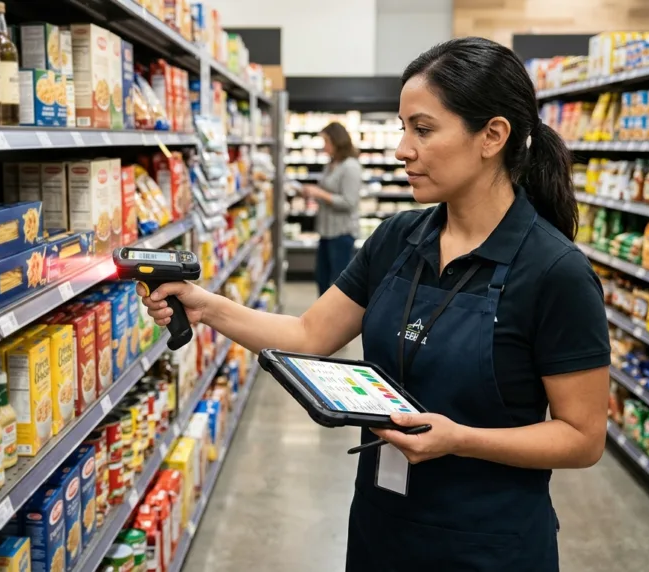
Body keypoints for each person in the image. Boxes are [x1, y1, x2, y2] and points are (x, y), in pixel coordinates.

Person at [139, 37, 609, 571]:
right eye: (404, 127)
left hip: (486, 543)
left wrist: (460, 440)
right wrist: (205, 307)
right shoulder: (397, 238)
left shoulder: (554, 271)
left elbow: (582, 437)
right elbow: (310, 335)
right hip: (381, 525)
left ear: (492, 136)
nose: (402, 149)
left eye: (423, 129)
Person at [302, 122, 361, 294]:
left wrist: (319, 194)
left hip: (341, 234)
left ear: (338, 141)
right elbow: (326, 192)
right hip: (326, 231)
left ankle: (339, 320)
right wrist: (308, 193)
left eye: (326, 141)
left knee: (338, 284)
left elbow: (349, 202)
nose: (324, 146)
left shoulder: (350, 166)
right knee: (322, 278)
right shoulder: (331, 164)